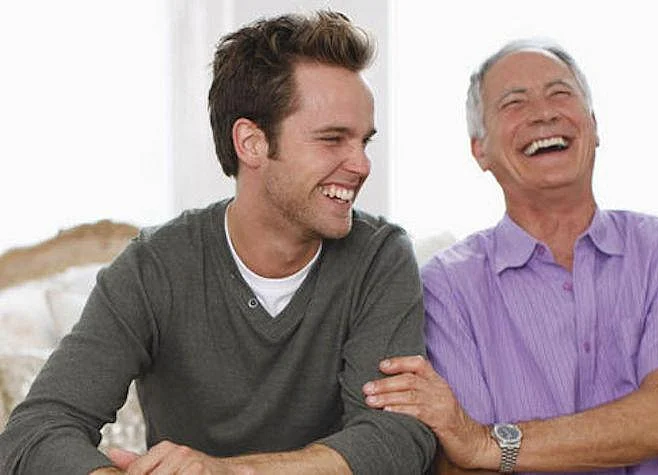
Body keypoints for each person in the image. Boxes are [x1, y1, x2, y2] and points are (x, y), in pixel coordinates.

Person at [0, 11, 435, 475]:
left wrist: (231, 471)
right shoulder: (154, 267)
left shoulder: (380, 257)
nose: (362, 165)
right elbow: (34, 433)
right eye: (333, 139)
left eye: (364, 141)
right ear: (251, 142)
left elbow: (396, 439)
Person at [363, 38, 658, 474]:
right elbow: (463, 462)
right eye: (514, 103)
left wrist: (489, 443)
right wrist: (476, 447)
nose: (543, 113)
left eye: (560, 93)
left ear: (594, 125)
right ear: (480, 150)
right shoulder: (446, 286)